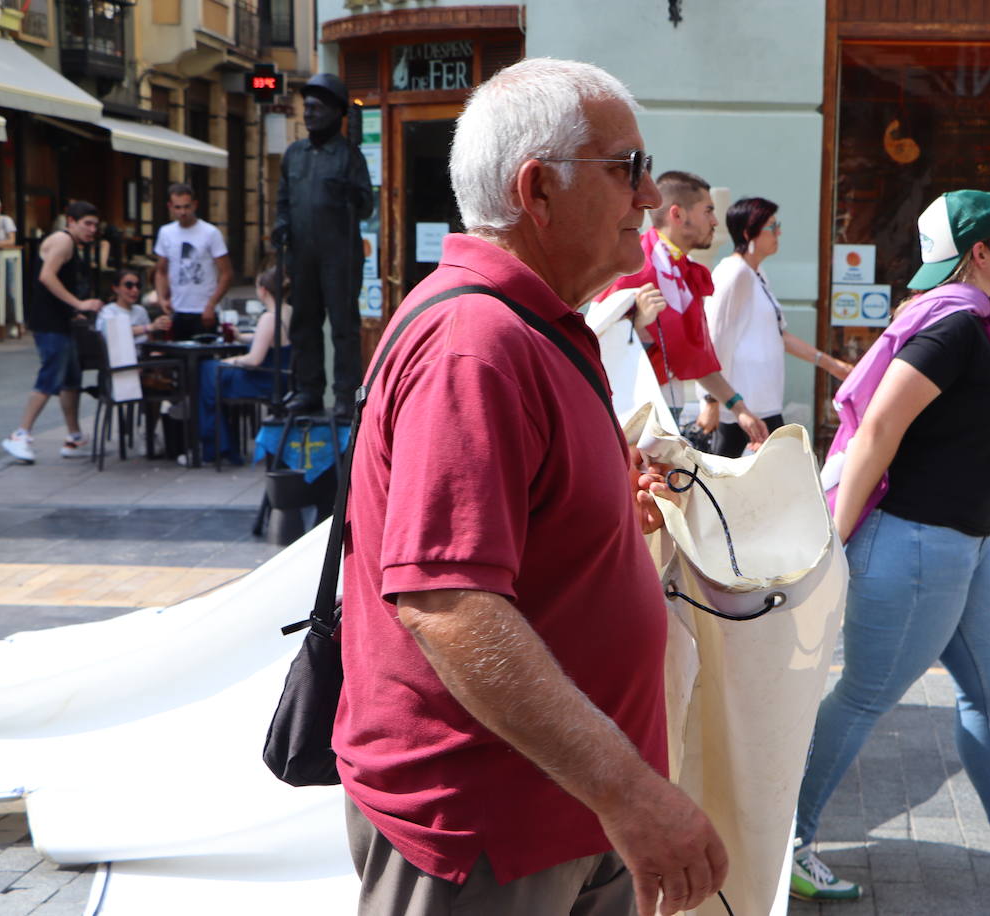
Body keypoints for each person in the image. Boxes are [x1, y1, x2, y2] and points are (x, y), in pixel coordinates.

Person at [333, 58, 728, 916]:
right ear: (537, 190)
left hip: (560, 816)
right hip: (495, 832)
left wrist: (604, 510)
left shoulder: (530, 322)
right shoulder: (478, 342)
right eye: (627, 166)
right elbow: (450, 604)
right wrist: (632, 792)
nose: (652, 194)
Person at [791, 191, 990, 902]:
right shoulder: (955, 326)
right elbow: (876, 429)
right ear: (978, 254)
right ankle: (785, 838)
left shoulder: (966, 322)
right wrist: (833, 541)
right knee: (866, 696)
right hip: (915, 546)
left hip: (963, 545)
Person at [603, 172, 768, 445]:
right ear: (677, 215)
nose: (715, 221)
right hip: (630, 416)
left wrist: (739, 409)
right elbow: (599, 341)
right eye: (708, 211)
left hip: (667, 412)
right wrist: (637, 323)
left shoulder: (682, 270)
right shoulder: (633, 264)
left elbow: (693, 356)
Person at [705, 196, 853, 457]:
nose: (779, 233)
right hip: (742, 407)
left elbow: (778, 336)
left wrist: (831, 365)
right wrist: (713, 401)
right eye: (771, 227)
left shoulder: (756, 273)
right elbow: (715, 339)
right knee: (733, 476)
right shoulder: (734, 273)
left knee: (765, 475)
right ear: (748, 232)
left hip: (761, 402)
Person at [273, 73, 374, 418]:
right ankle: (308, 391)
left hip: (340, 256)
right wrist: (281, 225)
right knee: (304, 324)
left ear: (336, 112)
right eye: (308, 107)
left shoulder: (349, 157)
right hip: (302, 255)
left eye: (317, 107)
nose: (310, 113)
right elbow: (284, 201)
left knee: (344, 327)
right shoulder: (294, 155)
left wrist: (353, 193)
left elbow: (367, 207)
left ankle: (346, 395)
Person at [1, 200, 104, 463]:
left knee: (71, 378)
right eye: (87, 224)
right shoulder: (64, 241)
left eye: (95, 224)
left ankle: (74, 436)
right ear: (71, 222)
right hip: (50, 324)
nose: (92, 229)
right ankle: (20, 434)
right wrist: (78, 303)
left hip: (60, 321)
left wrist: (74, 310)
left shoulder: (66, 242)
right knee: (50, 377)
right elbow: (47, 276)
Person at [189, 265, 291, 466]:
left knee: (207, 372)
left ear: (263, 290)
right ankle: (221, 443)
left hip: (264, 379)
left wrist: (230, 361)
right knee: (210, 373)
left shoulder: (268, 318)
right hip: (282, 375)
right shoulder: (288, 311)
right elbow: (271, 339)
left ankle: (216, 445)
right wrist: (241, 337)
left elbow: (254, 360)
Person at [154, 183, 232, 341]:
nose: (183, 212)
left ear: (195, 205)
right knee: (177, 357)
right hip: (178, 310)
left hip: (203, 310)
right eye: (178, 207)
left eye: (186, 207)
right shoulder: (166, 232)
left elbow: (227, 273)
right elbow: (161, 270)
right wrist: (162, 298)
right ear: (170, 206)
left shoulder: (210, 233)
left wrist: (211, 304)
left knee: (204, 357)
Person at [96, 268, 170, 357]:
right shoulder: (108, 311)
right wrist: (150, 327)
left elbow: (149, 340)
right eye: (129, 285)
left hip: (143, 359)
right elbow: (116, 333)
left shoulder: (141, 310)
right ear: (116, 288)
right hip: (119, 361)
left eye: (138, 286)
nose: (135, 290)